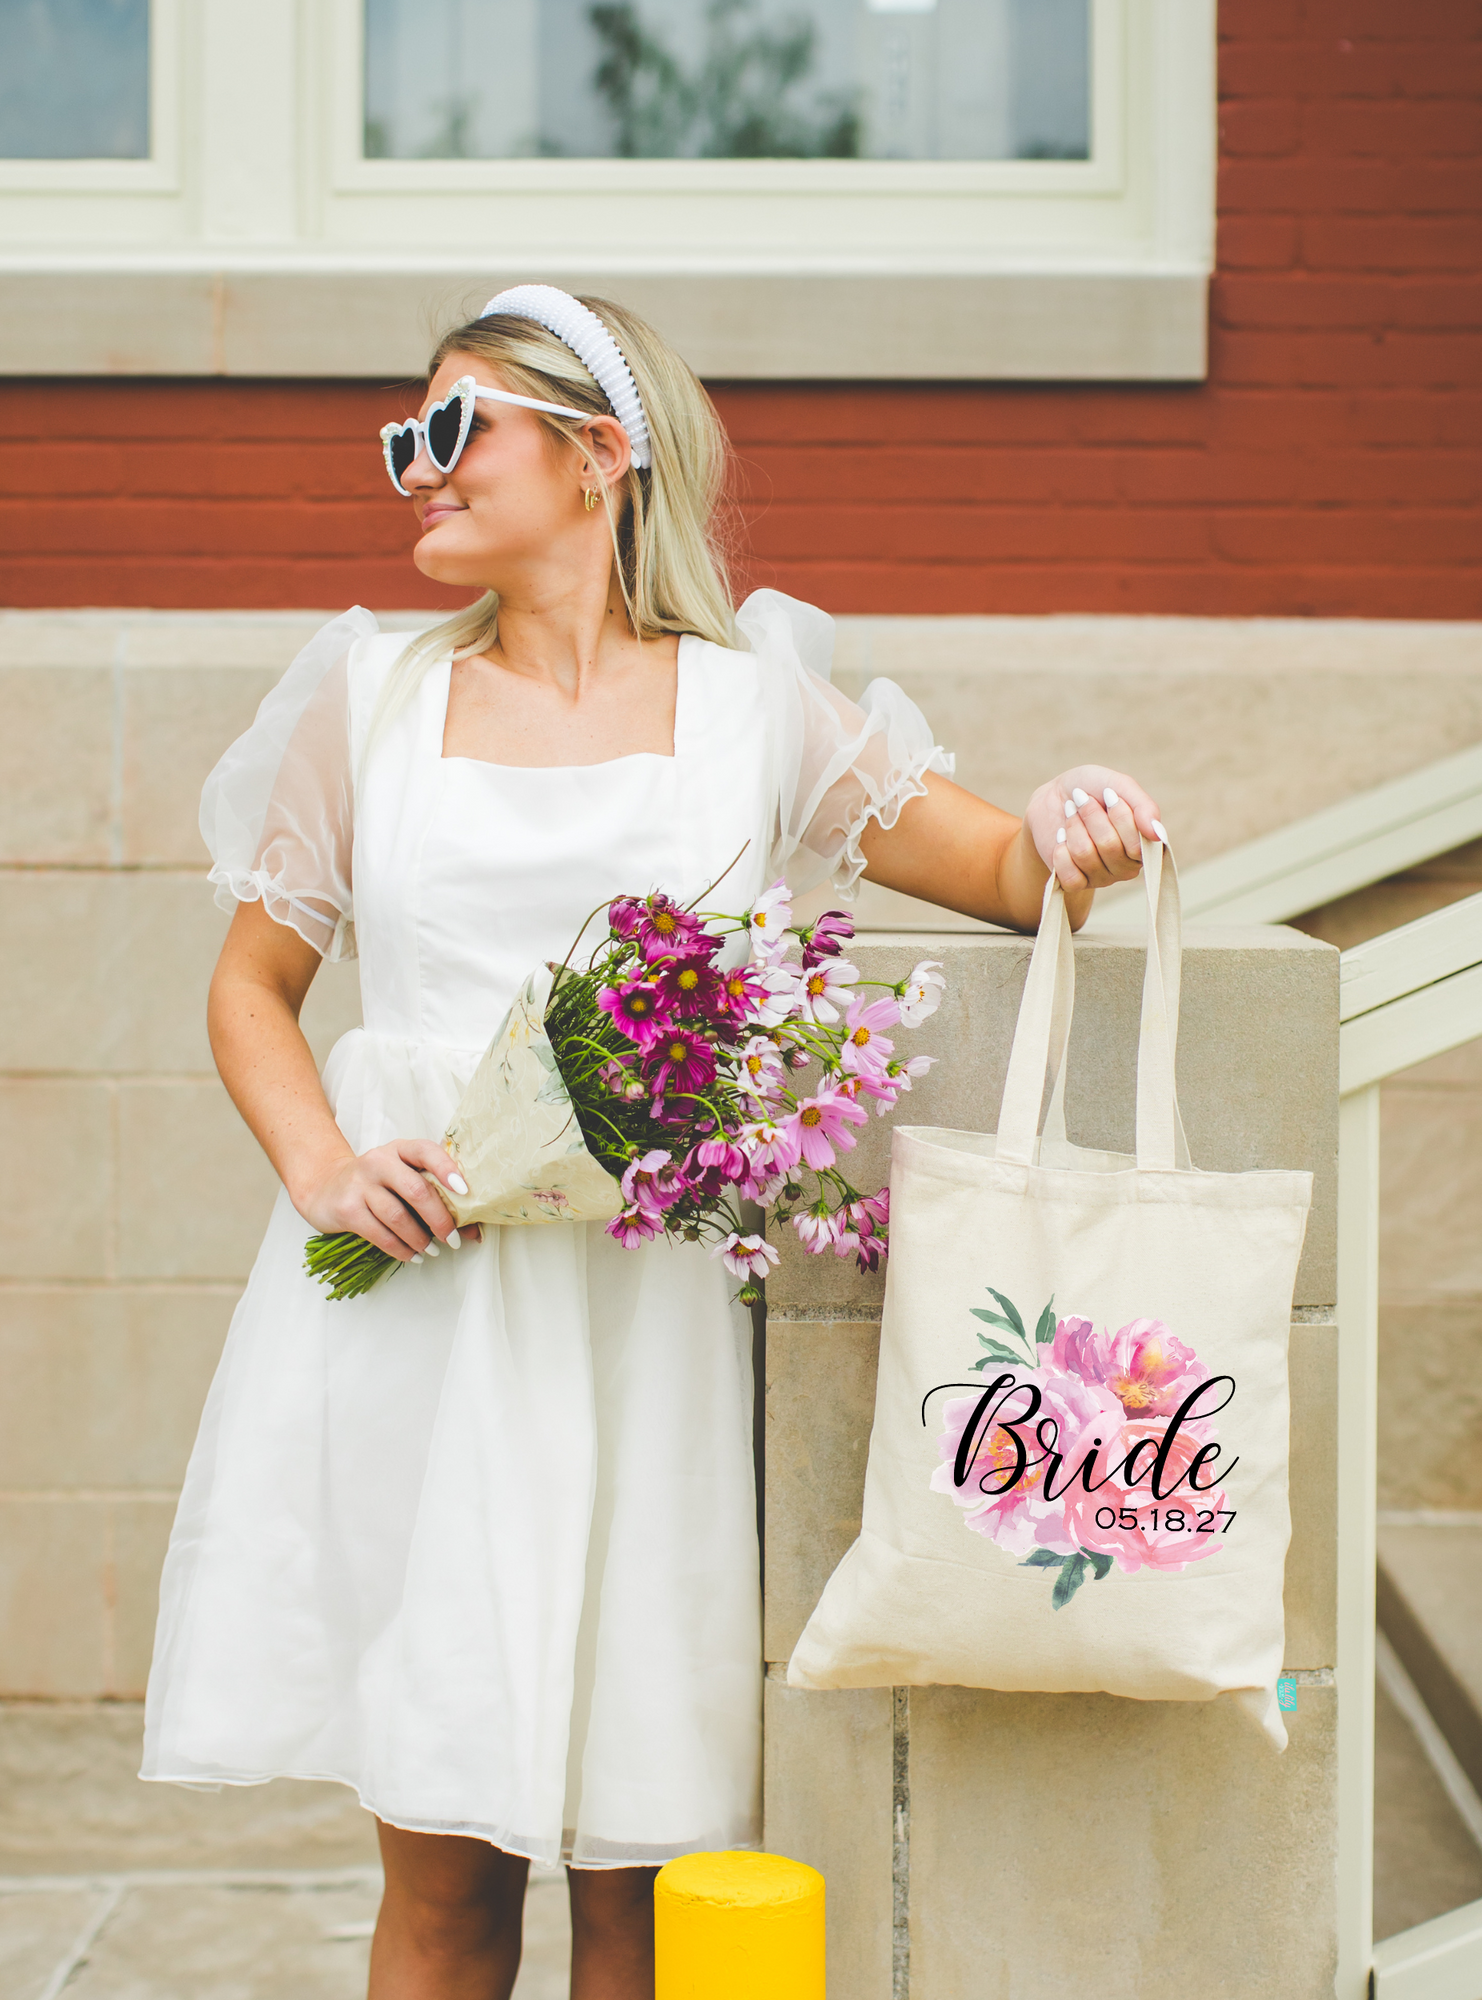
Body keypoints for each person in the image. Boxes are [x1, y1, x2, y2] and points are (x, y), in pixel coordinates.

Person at [139, 285, 1160, 2000]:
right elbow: (253, 988)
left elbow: (992, 866)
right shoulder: (369, 697)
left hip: (656, 1333)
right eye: (403, 439)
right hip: (423, 1325)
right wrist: (323, 1163)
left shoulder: (749, 706)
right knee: (447, 1882)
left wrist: (1066, 822)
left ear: (601, 454)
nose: (414, 470)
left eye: (453, 428)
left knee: (646, 1883)